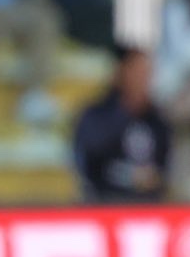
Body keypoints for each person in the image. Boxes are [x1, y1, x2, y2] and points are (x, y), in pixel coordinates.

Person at [73, 45, 171, 202]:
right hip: (105, 204)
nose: (144, 80)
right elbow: (89, 163)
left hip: (150, 207)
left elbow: (165, 167)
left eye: (147, 73)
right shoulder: (96, 116)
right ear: (122, 72)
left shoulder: (158, 120)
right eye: (138, 73)